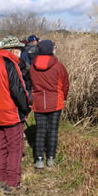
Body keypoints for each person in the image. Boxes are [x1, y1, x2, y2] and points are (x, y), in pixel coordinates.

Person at [0, 36, 32, 195]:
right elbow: (19, 91)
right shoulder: (10, 65)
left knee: (0, 147)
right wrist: (26, 108)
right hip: (11, 113)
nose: (20, 53)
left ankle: (0, 179)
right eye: (18, 50)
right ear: (13, 50)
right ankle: (13, 184)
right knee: (15, 149)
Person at [30, 39, 69, 169]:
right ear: (51, 50)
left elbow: (30, 84)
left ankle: (39, 159)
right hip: (55, 101)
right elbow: (65, 83)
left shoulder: (32, 67)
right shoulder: (58, 66)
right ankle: (51, 158)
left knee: (40, 131)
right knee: (53, 130)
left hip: (39, 102)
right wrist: (64, 96)